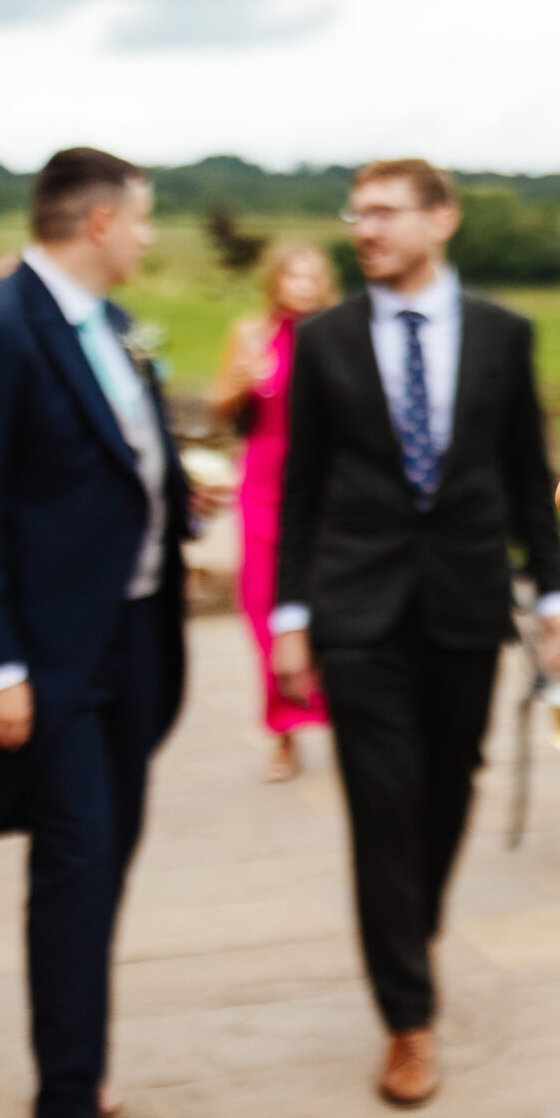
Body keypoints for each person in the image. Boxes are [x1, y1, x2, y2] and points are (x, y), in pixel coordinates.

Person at [0, 146, 217, 1118]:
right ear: (96, 222)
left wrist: (176, 499)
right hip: (50, 658)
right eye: (140, 219)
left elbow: (109, 462)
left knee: (105, 863)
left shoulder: (109, 330)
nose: (146, 236)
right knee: (78, 865)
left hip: (135, 641)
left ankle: (78, 1061)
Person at [269, 159, 560, 1109]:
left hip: (463, 603)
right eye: (355, 213)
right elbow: (301, 488)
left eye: (384, 212)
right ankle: (408, 1020)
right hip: (354, 608)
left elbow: (527, 478)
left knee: (450, 787)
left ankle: (411, 930)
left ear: (440, 219)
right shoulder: (323, 339)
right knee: (380, 803)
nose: (363, 229)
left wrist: (558, 600)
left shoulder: (501, 334)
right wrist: (289, 616)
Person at [208, 241, 334, 781]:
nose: (302, 285)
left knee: (329, 609)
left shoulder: (339, 336)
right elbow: (219, 407)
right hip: (263, 483)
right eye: (293, 275)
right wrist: (241, 379)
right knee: (265, 612)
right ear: (275, 282)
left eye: (312, 276)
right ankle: (283, 734)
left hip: (328, 489)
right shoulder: (251, 334)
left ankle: (341, 716)